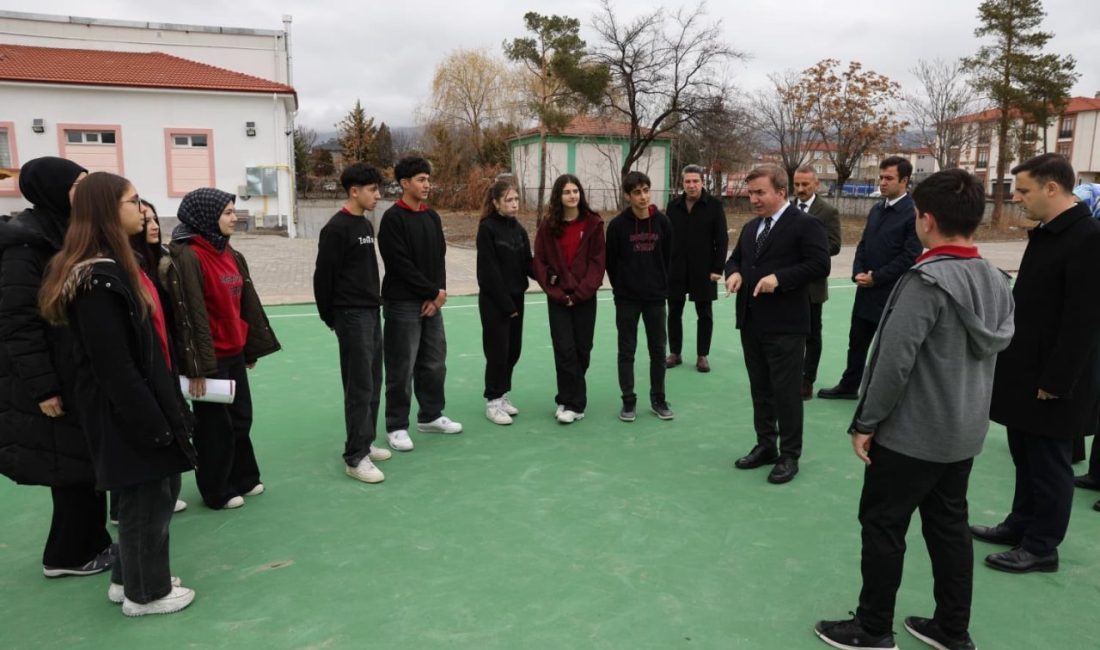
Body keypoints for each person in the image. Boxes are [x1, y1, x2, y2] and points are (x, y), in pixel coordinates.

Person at [814, 169, 1014, 650]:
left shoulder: (924, 281)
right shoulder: (995, 278)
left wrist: (866, 422)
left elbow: (891, 363)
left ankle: (873, 627)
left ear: (925, 220)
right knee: (949, 529)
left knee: (884, 526)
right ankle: (952, 628)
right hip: (963, 434)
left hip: (911, 436)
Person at [39, 171, 197, 616]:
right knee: (148, 494)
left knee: (149, 492)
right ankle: (145, 594)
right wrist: (153, 422)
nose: (142, 208)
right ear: (108, 211)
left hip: (138, 400)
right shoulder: (96, 279)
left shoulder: (115, 265)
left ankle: (129, 577)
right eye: (133, 201)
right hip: (126, 410)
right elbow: (115, 365)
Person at [972, 153, 1100, 572]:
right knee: (1024, 455)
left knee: (1049, 464)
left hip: (1053, 378)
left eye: (1024, 190)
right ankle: (1020, 524)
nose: (1017, 199)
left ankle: (1042, 545)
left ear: (1051, 187)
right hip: (1025, 369)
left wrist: (1058, 380)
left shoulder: (1087, 237)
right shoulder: (1048, 233)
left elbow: (1083, 320)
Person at [0, 157, 114, 578]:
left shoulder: (66, 233)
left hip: (76, 370)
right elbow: (17, 323)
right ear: (52, 189)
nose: (85, 193)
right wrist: (44, 388)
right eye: (77, 185)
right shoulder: (25, 244)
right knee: (68, 467)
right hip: (53, 376)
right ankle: (67, 555)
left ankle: (91, 543)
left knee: (83, 463)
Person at [161, 188, 281, 510]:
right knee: (215, 428)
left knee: (241, 418)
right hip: (208, 357)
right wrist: (196, 366)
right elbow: (187, 316)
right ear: (205, 216)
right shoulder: (188, 256)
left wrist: (250, 347)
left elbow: (245, 306)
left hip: (234, 352)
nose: (234, 218)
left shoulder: (229, 252)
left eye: (233, 211)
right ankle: (217, 489)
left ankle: (244, 477)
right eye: (227, 212)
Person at [724, 164, 829, 484]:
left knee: (786, 392)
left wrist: (779, 279)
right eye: (750, 192)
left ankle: (789, 455)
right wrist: (734, 273)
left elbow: (820, 264)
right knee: (761, 389)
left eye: (760, 192)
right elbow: (736, 259)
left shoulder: (805, 225)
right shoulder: (751, 227)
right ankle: (766, 445)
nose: (753, 199)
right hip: (752, 322)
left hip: (785, 325)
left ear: (780, 193)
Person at [313, 163, 392, 483]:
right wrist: (331, 317)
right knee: (359, 385)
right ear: (354, 191)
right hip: (351, 316)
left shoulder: (365, 225)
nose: (378, 195)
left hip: (371, 312)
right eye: (373, 189)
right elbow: (323, 278)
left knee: (373, 380)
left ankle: (366, 441)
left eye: (378, 188)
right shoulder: (336, 228)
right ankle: (355, 457)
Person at [110, 200, 188, 521]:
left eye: (155, 219)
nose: (152, 224)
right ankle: (123, 510)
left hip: (165, 359)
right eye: (145, 218)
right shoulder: (123, 268)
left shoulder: (159, 259)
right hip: (147, 367)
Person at [819, 156, 921, 400]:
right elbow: (864, 244)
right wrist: (858, 272)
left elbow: (910, 255)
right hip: (866, 289)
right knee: (857, 342)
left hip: (892, 293)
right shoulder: (877, 209)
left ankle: (883, 395)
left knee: (887, 349)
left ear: (905, 181)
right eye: (881, 178)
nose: (883, 183)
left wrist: (878, 277)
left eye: (889, 178)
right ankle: (849, 386)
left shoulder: (912, 213)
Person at [378, 157, 462, 451]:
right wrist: (430, 292)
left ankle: (430, 416)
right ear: (404, 184)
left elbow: (439, 257)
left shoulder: (432, 216)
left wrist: (438, 295)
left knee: (435, 363)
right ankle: (397, 425)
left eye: (428, 179)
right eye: (421, 180)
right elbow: (399, 265)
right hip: (402, 304)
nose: (427, 185)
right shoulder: (392, 219)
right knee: (401, 367)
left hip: (431, 303)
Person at [532, 174, 606, 424]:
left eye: (575, 191)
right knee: (564, 350)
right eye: (567, 192)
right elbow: (540, 262)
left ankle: (568, 397)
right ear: (558, 196)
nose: (572, 195)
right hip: (559, 301)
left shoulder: (594, 224)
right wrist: (558, 294)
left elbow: (598, 263)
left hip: (585, 299)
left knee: (582, 350)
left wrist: (582, 293)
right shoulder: (548, 226)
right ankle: (572, 403)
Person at [606, 171, 674, 421]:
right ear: (627, 196)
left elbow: (668, 258)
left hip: (656, 299)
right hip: (627, 300)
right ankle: (628, 402)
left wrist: (660, 285)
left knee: (658, 351)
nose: (643, 196)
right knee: (627, 351)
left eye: (646, 190)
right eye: (637, 192)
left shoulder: (663, 223)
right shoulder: (617, 226)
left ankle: (658, 399)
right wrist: (623, 288)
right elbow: (611, 264)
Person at [476, 179, 532, 426]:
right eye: (509, 200)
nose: (514, 204)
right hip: (495, 302)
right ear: (496, 203)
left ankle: (503, 394)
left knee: (513, 350)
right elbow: (488, 272)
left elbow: (528, 263)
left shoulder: (518, 229)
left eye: (516, 199)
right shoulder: (487, 228)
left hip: (517, 298)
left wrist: (552, 275)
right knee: (497, 352)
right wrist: (507, 305)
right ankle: (492, 400)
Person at [664, 164, 728, 373]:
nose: (691, 185)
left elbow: (722, 239)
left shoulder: (715, 206)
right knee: (674, 312)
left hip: (704, 269)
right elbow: (666, 238)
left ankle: (702, 355)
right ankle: (675, 352)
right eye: (687, 181)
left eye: (695, 181)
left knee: (705, 313)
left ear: (702, 182)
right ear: (682, 183)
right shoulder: (673, 206)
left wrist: (718, 268)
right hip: (676, 269)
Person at [791, 166, 842, 399]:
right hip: (788, 284)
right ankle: (788, 375)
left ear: (816, 184)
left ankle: (806, 380)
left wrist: (809, 251)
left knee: (812, 335)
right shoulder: (787, 208)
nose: (800, 189)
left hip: (812, 285)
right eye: (797, 184)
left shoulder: (827, 211)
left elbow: (835, 244)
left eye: (805, 185)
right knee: (788, 334)